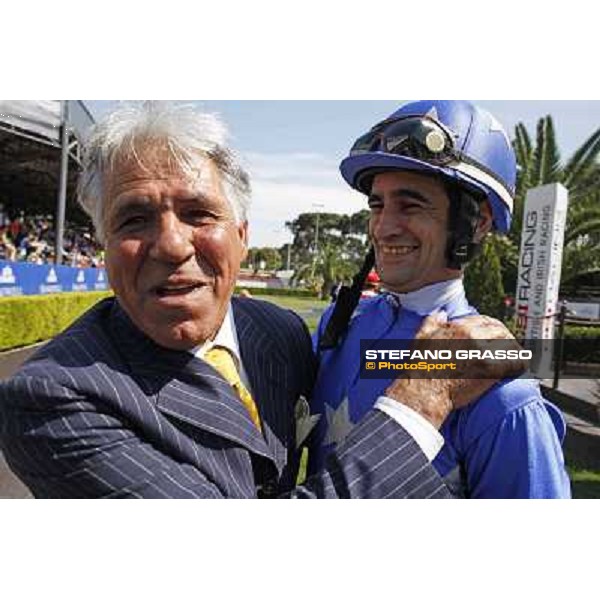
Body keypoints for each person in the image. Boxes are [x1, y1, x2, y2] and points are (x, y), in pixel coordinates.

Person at [0, 102, 524, 499]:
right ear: (102, 243)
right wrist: (420, 401)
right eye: (133, 219)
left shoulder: (285, 333)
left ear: (243, 235)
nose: (172, 245)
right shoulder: (48, 397)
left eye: (199, 213)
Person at [311, 100, 571, 498]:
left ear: (478, 222)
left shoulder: (502, 391)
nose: (384, 227)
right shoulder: (337, 325)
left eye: (410, 205)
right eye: (377, 205)